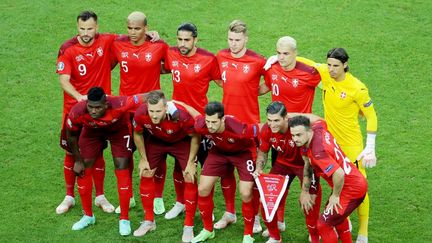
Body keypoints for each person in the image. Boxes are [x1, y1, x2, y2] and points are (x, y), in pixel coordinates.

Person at [265, 48, 378, 243]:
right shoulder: (325, 73)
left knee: (356, 182)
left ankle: (363, 232)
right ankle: (342, 218)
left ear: (345, 65)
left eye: (336, 66)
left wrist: (370, 146)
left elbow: (372, 116)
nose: (332, 69)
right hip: (329, 137)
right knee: (333, 181)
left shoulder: (358, 88)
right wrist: (280, 58)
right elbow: (308, 62)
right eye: (329, 65)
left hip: (351, 143)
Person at [258, 36, 321, 236]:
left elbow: (329, 82)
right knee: (279, 185)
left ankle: (328, 224)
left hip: (302, 138)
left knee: (311, 190)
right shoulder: (272, 69)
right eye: (278, 53)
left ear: (295, 53)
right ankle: (280, 222)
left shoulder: (309, 73)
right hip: (280, 134)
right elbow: (263, 86)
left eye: (286, 53)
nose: (282, 58)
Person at [55, 10, 115, 215]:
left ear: (96, 27)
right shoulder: (68, 48)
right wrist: (79, 96)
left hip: (98, 111)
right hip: (74, 111)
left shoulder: (107, 41)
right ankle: (69, 196)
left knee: (97, 152)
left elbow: (130, 40)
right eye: (82, 28)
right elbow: (63, 80)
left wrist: (152, 33)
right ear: (77, 27)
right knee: (71, 152)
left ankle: (100, 196)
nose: (86, 32)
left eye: (90, 28)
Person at [66, 87, 148, 235]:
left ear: (106, 104)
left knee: (121, 165)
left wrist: (168, 106)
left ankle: (124, 219)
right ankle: (87, 216)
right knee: (84, 167)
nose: (93, 111)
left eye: (98, 107)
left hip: (119, 131)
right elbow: (71, 135)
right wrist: (77, 160)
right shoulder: (78, 111)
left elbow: (148, 96)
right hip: (92, 132)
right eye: (90, 107)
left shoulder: (121, 103)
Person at [111, 11, 169, 215]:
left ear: (146, 28)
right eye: (129, 28)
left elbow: (170, 66)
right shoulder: (117, 44)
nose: (133, 32)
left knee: (158, 155)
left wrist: (158, 37)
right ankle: (129, 197)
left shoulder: (159, 46)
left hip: (152, 111)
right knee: (125, 155)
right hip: (126, 111)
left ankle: (158, 197)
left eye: (137, 28)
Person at [216, 19, 266, 233]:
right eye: (230, 39)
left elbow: (270, 82)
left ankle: (255, 218)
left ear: (246, 39)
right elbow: (219, 79)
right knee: (225, 171)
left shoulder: (258, 61)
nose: (233, 44)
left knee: (252, 176)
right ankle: (229, 213)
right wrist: (234, 86)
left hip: (249, 127)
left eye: (237, 40)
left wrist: (252, 89)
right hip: (226, 125)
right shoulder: (221, 56)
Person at [132, 90, 199, 242]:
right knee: (146, 172)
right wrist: (143, 158)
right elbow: (137, 134)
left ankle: (188, 225)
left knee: (189, 176)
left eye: (158, 111)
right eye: (151, 111)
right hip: (157, 141)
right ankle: (149, 221)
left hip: (181, 142)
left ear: (166, 108)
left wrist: (191, 162)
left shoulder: (181, 115)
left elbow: (195, 136)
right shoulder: (141, 113)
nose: (154, 115)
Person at [289, 116, 368, 243]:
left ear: (309, 131)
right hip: (352, 182)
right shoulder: (318, 128)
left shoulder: (318, 152)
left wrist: (335, 196)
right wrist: (305, 190)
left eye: (299, 135)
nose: (295, 139)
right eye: (293, 135)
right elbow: (320, 120)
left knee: (324, 224)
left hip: (351, 189)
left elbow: (339, 173)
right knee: (335, 217)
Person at [189, 102, 260, 243]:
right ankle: (208, 230)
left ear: (223, 119)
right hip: (219, 152)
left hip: (243, 153)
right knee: (202, 189)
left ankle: (248, 234)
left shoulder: (238, 128)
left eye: (214, 122)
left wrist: (258, 161)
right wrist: (174, 103)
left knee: (246, 193)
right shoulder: (202, 124)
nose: (210, 126)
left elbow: (261, 130)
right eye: (208, 121)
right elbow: (192, 112)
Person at [253, 102, 322, 243]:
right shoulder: (267, 129)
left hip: (305, 164)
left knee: (309, 203)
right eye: (269, 120)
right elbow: (263, 152)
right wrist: (259, 167)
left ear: (286, 118)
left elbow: (320, 120)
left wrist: (305, 190)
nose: (272, 124)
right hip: (282, 164)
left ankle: (315, 236)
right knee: (266, 200)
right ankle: (275, 236)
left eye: (276, 120)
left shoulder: (296, 126)